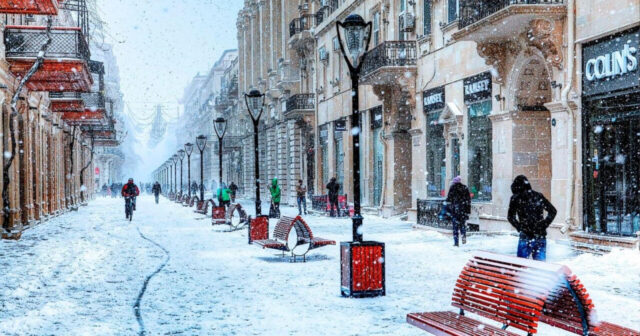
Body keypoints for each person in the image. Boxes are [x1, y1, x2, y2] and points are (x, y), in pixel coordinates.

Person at [508, 175, 557, 261]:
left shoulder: (515, 198)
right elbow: (552, 211)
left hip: (527, 235)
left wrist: (520, 226)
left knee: (521, 265)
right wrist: (544, 224)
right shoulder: (538, 196)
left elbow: (510, 216)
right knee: (540, 266)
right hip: (539, 235)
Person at [445, 176, 471, 247]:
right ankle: (463, 236)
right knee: (462, 225)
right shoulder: (464, 187)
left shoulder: (452, 188)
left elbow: (449, 199)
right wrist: (468, 211)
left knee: (455, 227)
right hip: (463, 210)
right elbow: (468, 200)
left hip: (455, 210)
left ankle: (456, 242)